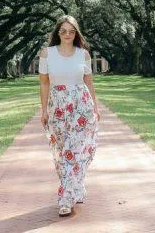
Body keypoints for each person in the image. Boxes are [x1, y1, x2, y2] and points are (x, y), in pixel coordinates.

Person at [38, 15, 100, 217]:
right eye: (63, 31)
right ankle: (77, 187)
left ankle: (66, 200)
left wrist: (96, 108)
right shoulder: (47, 53)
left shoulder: (83, 55)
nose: (67, 34)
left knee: (75, 151)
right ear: (57, 33)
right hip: (58, 107)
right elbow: (44, 83)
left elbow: (89, 82)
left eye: (71, 31)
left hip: (81, 107)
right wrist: (44, 110)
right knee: (61, 154)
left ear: (76, 33)